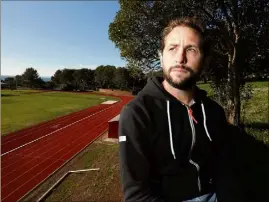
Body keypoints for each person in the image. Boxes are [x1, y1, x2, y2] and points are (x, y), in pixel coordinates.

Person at [118, 17, 229, 202]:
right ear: (161, 56)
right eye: (172, 48)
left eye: (191, 49)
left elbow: (227, 168)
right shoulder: (137, 114)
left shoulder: (214, 111)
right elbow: (137, 195)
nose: (180, 58)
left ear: (205, 60)